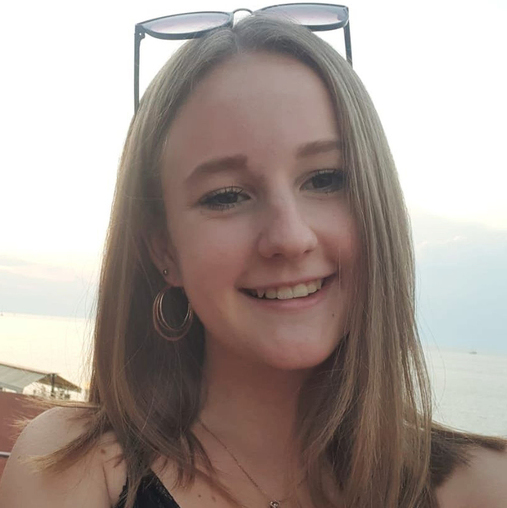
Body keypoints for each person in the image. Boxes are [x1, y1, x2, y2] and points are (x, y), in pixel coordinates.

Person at [1, 9, 506, 508]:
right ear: (164, 249)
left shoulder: (486, 487)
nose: (289, 237)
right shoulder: (72, 468)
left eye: (326, 179)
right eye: (226, 196)